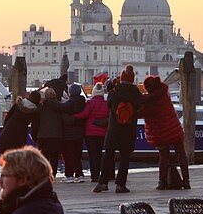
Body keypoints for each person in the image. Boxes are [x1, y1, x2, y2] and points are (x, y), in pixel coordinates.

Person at [93, 65, 142, 194]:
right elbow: (139, 107)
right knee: (125, 157)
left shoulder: (114, 91)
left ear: (122, 78)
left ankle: (102, 182)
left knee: (108, 155)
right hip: (129, 130)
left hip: (114, 129)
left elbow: (109, 104)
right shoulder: (136, 93)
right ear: (132, 79)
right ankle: (120, 185)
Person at [142, 75, 190, 190]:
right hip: (174, 129)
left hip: (161, 133)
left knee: (164, 157)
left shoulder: (149, 101)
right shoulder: (165, 95)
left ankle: (162, 182)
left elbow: (142, 113)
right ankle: (187, 181)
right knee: (181, 154)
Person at [0, 91, 40, 183]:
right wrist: (35, 137)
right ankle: (11, 176)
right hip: (20, 134)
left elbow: (8, 116)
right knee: (15, 156)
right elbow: (35, 126)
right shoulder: (34, 111)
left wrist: (5, 127)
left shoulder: (19, 104)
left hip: (8, 130)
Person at [42, 83, 86, 182]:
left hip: (69, 134)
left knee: (69, 155)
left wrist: (47, 102)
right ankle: (79, 175)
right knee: (77, 155)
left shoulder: (70, 103)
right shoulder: (83, 102)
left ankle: (69, 175)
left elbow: (61, 108)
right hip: (79, 133)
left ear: (71, 92)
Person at [72, 82, 109, 181]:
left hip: (90, 133)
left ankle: (94, 176)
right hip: (101, 133)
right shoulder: (106, 104)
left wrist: (73, 116)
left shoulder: (90, 103)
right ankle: (100, 173)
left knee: (92, 155)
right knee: (99, 153)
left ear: (94, 92)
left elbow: (84, 114)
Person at [35, 87, 64, 176]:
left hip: (43, 136)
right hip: (56, 135)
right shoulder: (60, 106)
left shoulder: (41, 107)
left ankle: (44, 174)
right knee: (54, 157)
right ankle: (53, 174)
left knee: (44, 157)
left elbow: (36, 121)